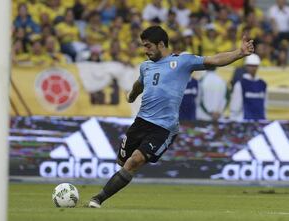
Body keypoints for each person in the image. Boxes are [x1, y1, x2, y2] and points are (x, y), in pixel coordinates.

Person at [88, 25, 254, 208]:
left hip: (164, 127)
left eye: (148, 46)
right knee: (122, 161)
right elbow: (139, 84)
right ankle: (105, 190)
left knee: (134, 161)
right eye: (143, 46)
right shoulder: (146, 67)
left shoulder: (182, 62)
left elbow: (213, 60)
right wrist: (132, 95)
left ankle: (97, 199)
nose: (145, 51)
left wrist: (239, 52)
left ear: (161, 44)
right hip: (141, 122)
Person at [229, 54, 266, 121]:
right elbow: (235, 107)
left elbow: (265, 105)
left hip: (260, 121)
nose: (253, 68)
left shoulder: (263, 84)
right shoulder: (240, 84)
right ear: (246, 66)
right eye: (251, 65)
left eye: (255, 66)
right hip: (245, 122)